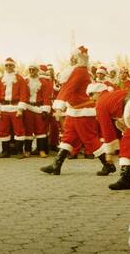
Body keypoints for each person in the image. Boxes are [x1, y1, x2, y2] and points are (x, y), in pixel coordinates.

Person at [42, 47, 112, 176]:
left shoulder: (79, 71)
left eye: (73, 57)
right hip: (75, 110)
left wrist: (59, 106)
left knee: (90, 139)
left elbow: (68, 88)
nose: (71, 59)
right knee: (68, 138)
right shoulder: (78, 70)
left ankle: (108, 164)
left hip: (83, 111)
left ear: (78, 59)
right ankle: (56, 165)